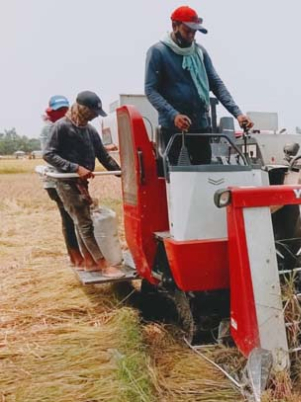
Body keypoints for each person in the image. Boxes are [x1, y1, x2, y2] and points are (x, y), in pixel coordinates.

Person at [145, 5, 253, 165]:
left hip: (201, 127)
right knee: (178, 177)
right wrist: (173, 115)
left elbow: (216, 85)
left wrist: (238, 113)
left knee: (204, 175)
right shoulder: (159, 52)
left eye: (194, 32)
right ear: (174, 26)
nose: (191, 36)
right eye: (187, 30)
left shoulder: (199, 52)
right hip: (174, 130)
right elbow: (150, 89)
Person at [43, 91, 125, 279]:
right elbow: (49, 154)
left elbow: (103, 156)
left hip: (81, 182)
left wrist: (122, 173)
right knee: (84, 223)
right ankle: (103, 266)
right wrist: (74, 167)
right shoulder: (61, 127)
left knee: (83, 220)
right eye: (93, 111)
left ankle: (90, 262)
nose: (96, 115)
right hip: (65, 181)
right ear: (82, 108)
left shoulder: (90, 130)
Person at [39, 95, 85, 267]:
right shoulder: (49, 129)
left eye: (65, 109)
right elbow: (49, 156)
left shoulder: (65, 126)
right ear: (51, 111)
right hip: (56, 180)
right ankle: (75, 256)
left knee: (75, 216)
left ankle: (80, 254)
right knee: (69, 216)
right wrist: (74, 167)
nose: (62, 113)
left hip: (69, 177)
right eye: (58, 110)